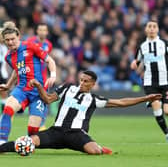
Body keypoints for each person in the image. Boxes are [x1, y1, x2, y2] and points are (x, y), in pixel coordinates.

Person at [0, 70, 162, 155]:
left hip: (76, 134)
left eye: (86, 81)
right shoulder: (67, 88)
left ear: (92, 84)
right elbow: (48, 99)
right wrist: (39, 87)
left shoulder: (94, 99)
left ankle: (99, 147)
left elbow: (121, 102)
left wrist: (145, 97)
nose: (82, 83)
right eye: (81, 80)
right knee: (28, 142)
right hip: (56, 132)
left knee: (95, 152)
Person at [0, 22, 56, 144]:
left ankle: (28, 144)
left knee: (32, 131)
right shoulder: (8, 56)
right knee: (8, 109)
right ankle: (2, 142)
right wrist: (8, 85)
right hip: (22, 89)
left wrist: (53, 75)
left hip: (38, 92)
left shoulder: (30, 46)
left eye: (12, 39)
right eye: (7, 40)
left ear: (18, 36)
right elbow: (17, 70)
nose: (10, 42)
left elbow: (49, 60)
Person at [130, 20, 168, 141]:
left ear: (157, 29)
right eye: (149, 26)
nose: (151, 28)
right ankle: (167, 134)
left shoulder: (164, 43)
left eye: (154, 26)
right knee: (157, 108)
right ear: (146, 29)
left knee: (167, 111)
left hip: (165, 81)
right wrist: (134, 63)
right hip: (150, 83)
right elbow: (137, 60)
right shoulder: (142, 47)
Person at [26, 23, 53, 130]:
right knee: (32, 99)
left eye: (44, 30)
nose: (42, 32)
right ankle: (35, 122)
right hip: (32, 76)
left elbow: (46, 61)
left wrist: (49, 76)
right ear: (37, 31)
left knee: (45, 99)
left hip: (43, 77)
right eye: (40, 30)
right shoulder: (30, 42)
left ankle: (42, 124)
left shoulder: (48, 45)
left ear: (47, 32)